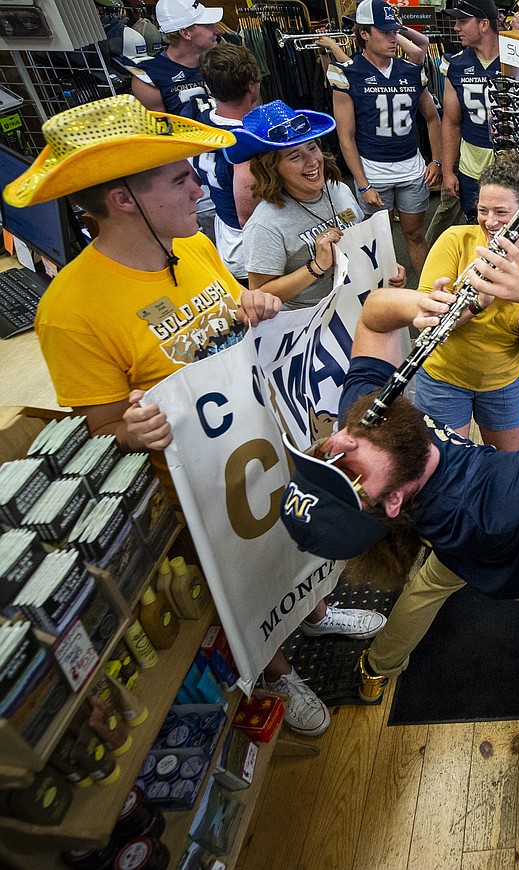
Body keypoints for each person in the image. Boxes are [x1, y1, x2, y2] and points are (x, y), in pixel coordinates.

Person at [4, 95, 386, 738]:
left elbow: (234, 307)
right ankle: (276, 670)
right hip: (198, 492)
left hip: (266, 435)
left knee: (293, 537)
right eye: (182, 177)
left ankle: (313, 607)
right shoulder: (70, 309)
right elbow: (98, 424)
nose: (200, 188)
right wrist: (129, 428)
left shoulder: (196, 248)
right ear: (126, 199)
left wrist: (254, 308)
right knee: (241, 582)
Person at [278, 233, 519, 818]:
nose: (341, 440)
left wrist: (419, 305)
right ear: (388, 504)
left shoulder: (370, 425)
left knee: (430, 582)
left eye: (325, 451)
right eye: (347, 466)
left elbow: (371, 315)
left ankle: (375, 667)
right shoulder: (488, 501)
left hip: (455, 550)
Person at [412, 152, 519, 450]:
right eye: (482, 210)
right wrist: (476, 302)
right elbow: (426, 326)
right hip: (444, 376)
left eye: (501, 212)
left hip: (503, 382)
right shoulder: (455, 241)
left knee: (505, 464)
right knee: (447, 465)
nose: (490, 222)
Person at [329, 0, 443, 276]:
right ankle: (384, 306)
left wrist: (437, 161)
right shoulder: (347, 73)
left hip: (411, 167)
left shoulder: (410, 70)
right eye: (385, 32)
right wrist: (363, 182)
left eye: (395, 31)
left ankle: (430, 300)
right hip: (373, 169)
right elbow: (346, 136)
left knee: (415, 235)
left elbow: (433, 119)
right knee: (377, 243)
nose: (393, 39)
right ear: (364, 34)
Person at [230, 100, 375, 310]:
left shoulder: (339, 190)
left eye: (312, 147)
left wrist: (385, 268)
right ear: (272, 168)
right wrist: (316, 266)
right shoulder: (264, 225)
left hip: (359, 304)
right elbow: (259, 294)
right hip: (314, 326)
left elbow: (361, 246)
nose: (312, 161)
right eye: (295, 156)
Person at [192, 42, 263, 282]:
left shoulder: (200, 123)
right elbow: (249, 218)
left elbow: (192, 178)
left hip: (225, 235)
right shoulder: (247, 142)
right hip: (251, 249)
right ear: (250, 86)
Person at [440, 0, 500, 220]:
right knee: (476, 226)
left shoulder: (516, 61)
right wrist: (447, 171)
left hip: (511, 166)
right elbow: (451, 121)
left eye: (463, 21)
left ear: (484, 24)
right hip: (471, 167)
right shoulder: (455, 65)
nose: (456, 27)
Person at [126, 0, 221, 115]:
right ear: (185, 33)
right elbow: (161, 128)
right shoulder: (149, 77)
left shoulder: (221, 61)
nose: (217, 31)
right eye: (209, 26)